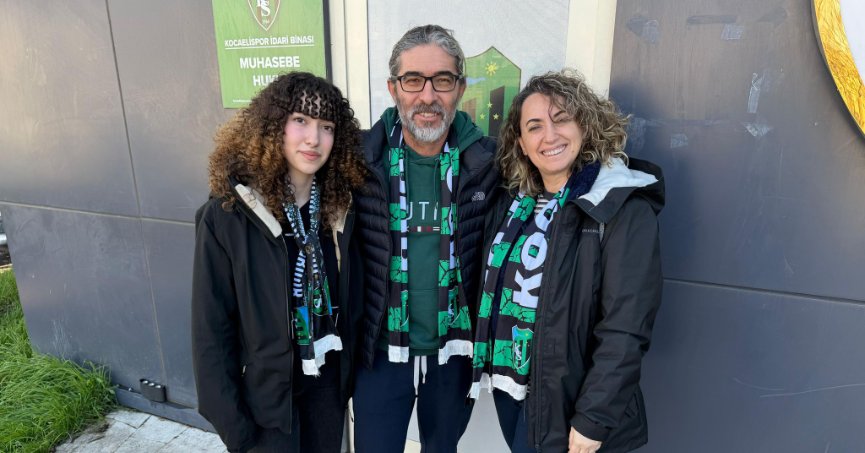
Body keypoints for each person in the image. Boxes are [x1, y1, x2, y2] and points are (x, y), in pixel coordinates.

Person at [469, 69, 664, 453]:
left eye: (561, 120)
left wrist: (594, 418)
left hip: (572, 403)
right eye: (535, 126)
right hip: (513, 389)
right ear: (522, 143)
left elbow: (625, 327)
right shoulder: (514, 204)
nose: (550, 136)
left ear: (585, 126)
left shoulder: (620, 207)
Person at [191, 72, 366, 453]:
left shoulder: (341, 210)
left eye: (327, 126)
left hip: (326, 389)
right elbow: (211, 332)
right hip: (264, 403)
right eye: (300, 120)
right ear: (273, 127)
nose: (313, 138)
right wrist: (235, 428)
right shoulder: (228, 216)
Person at [352, 25, 498, 453]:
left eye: (443, 80)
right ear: (393, 88)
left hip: (454, 349)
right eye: (413, 80)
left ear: (460, 89)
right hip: (380, 350)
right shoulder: (359, 160)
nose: (428, 96)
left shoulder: (491, 163)